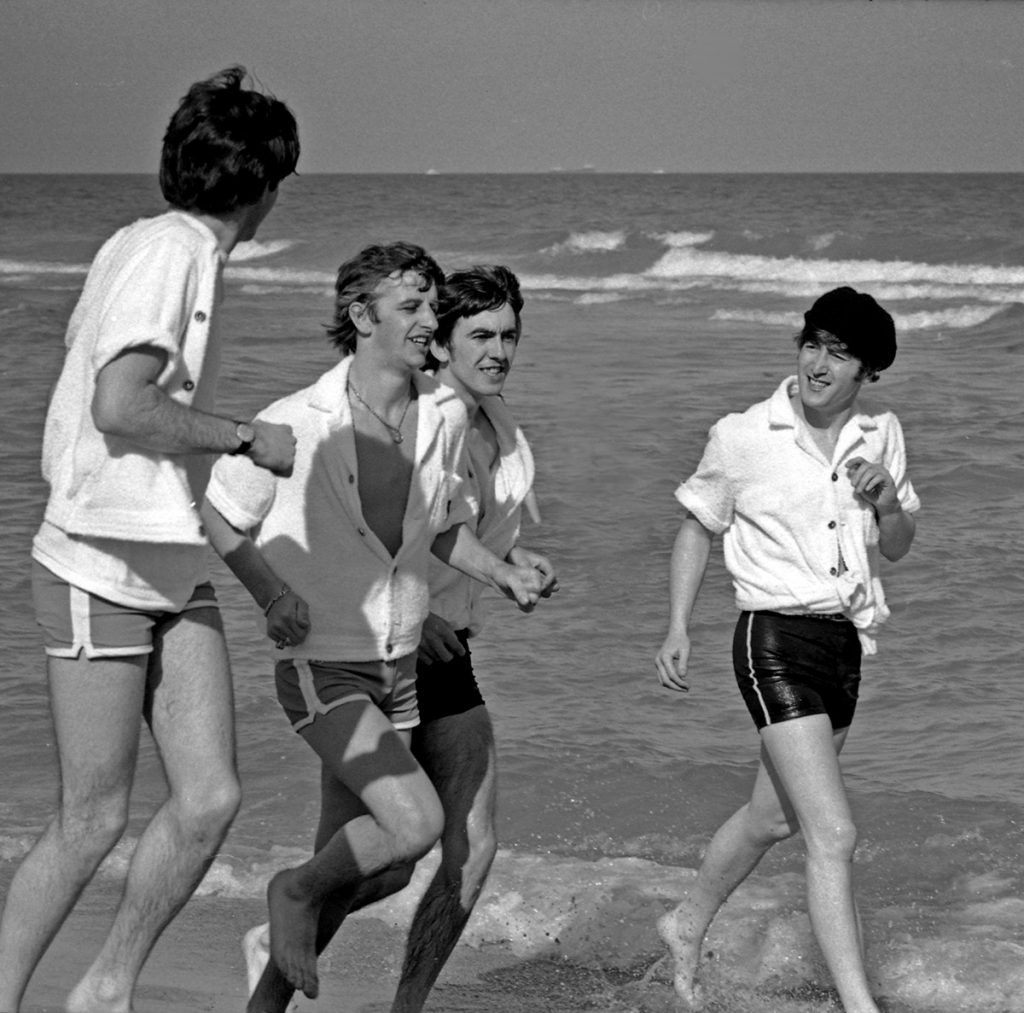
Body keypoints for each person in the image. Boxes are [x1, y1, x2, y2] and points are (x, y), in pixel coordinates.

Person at [0, 67, 300, 1013]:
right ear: (260, 182)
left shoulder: (167, 248)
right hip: (98, 561)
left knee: (208, 797)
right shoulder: (169, 253)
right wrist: (246, 433)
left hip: (166, 560)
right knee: (90, 819)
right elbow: (122, 407)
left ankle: (105, 988)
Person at [201, 245, 554, 1010]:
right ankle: (292, 895)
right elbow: (223, 513)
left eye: (434, 306)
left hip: (399, 667)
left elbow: (439, 528)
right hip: (327, 664)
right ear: (364, 318)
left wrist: (505, 572)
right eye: (416, 309)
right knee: (417, 823)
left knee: (376, 865)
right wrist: (270, 596)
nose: (433, 321)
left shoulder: (444, 420)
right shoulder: (302, 420)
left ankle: (264, 1000)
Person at [654, 287, 919, 1013]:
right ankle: (858, 1005)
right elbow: (696, 526)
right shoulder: (744, 433)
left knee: (772, 817)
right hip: (771, 639)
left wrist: (888, 502)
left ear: (868, 370)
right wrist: (677, 624)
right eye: (813, 343)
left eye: (839, 352)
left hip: (844, 644)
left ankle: (685, 921)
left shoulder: (881, 433)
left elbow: (896, 546)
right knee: (833, 831)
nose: (818, 362)